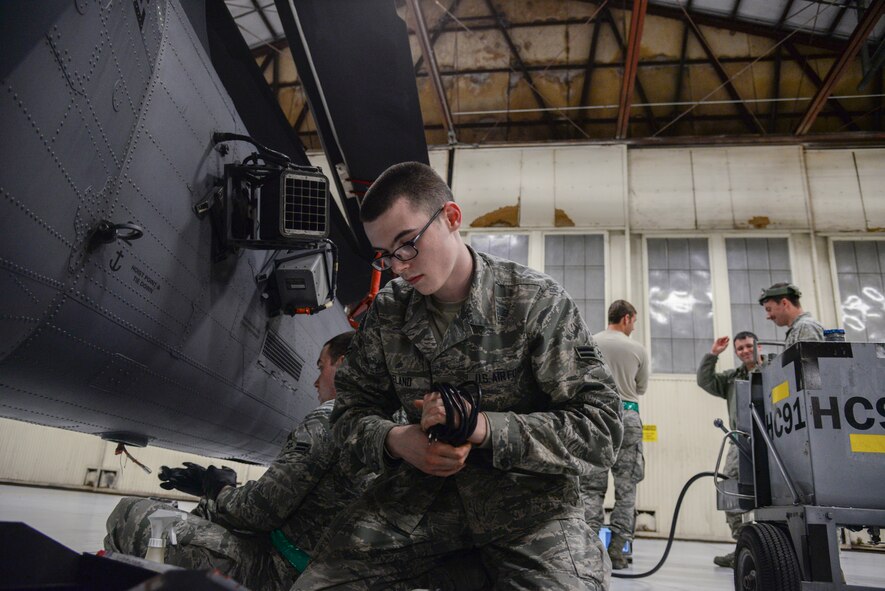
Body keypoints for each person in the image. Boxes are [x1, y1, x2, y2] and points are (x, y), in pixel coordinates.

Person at [293, 161, 623, 590]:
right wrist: (396, 441)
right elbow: (348, 413)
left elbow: (600, 427)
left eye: (407, 243)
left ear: (451, 218)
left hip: (530, 515)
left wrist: (486, 427)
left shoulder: (535, 302)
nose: (399, 266)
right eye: (386, 255)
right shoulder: (390, 310)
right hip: (414, 510)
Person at [104, 331, 363, 591]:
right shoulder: (380, 426)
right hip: (323, 572)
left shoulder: (331, 418)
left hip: (283, 574)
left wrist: (219, 490)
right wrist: (211, 492)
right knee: (207, 512)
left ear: (342, 364)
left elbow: (260, 512)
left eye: (321, 368)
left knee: (132, 516)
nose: (316, 382)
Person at [582, 300, 649, 570]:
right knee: (626, 490)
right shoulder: (637, 349)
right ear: (627, 319)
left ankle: (588, 552)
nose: (633, 326)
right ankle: (618, 552)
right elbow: (641, 387)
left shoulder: (590, 342)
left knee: (590, 489)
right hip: (627, 416)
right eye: (634, 321)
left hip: (596, 416)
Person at [696, 331, 762, 568]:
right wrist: (713, 354)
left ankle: (770, 548)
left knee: (773, 497)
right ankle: (743, 547)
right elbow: (705, 381)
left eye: (748, 346)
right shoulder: (733, 378)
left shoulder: (772, 371)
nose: (744, 351)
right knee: (730, 491)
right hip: (740, 441)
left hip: (772, 441)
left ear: (759, 347)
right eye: (740, 349)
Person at [759, 282, 824, 347]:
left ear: (784, 303)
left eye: (769, 309)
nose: (768, 316)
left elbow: (810, 357)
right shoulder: (799, 328)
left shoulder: (805, 326)